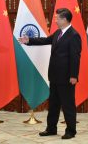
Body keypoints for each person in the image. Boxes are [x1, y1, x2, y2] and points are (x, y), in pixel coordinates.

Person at [18, 8, 81, 139]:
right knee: (53, 104)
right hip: (54, 76)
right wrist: (29, 41)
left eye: (57, 18)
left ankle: (71, 131)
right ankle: (51, 128)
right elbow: (45, 40)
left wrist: (74, 75)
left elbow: (75, 57)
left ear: (64, 19)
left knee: (68, 104)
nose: (55, 20)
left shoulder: (74, 35)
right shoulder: (58, 33)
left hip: (66, 78)